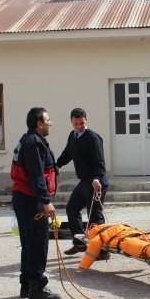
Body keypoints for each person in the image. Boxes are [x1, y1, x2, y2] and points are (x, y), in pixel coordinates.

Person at [11, 107, 60, 299]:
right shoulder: (34, 144)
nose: (51, 123)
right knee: (38, 243)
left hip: (24, 199)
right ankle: (37, 287)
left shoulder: (28, 140)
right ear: (39, 123)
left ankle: (26, 285)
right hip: (31, 201)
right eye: (48, 120)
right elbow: (36, 175)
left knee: (29, 243)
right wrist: (46, 201)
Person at [55, 108, 109, 255]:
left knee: (95, 217)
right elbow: (68, 153)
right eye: (76, 124)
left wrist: (97, 178)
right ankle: (80, 244)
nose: (79, 127)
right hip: (84, 182)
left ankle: (102, 250)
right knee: (71, 209)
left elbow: (100, 162)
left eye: (81, 123)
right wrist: (57, 164)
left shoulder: (93, 138)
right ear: (71, 122)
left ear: (86, 119)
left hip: (96, 182)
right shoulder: (73, 136)